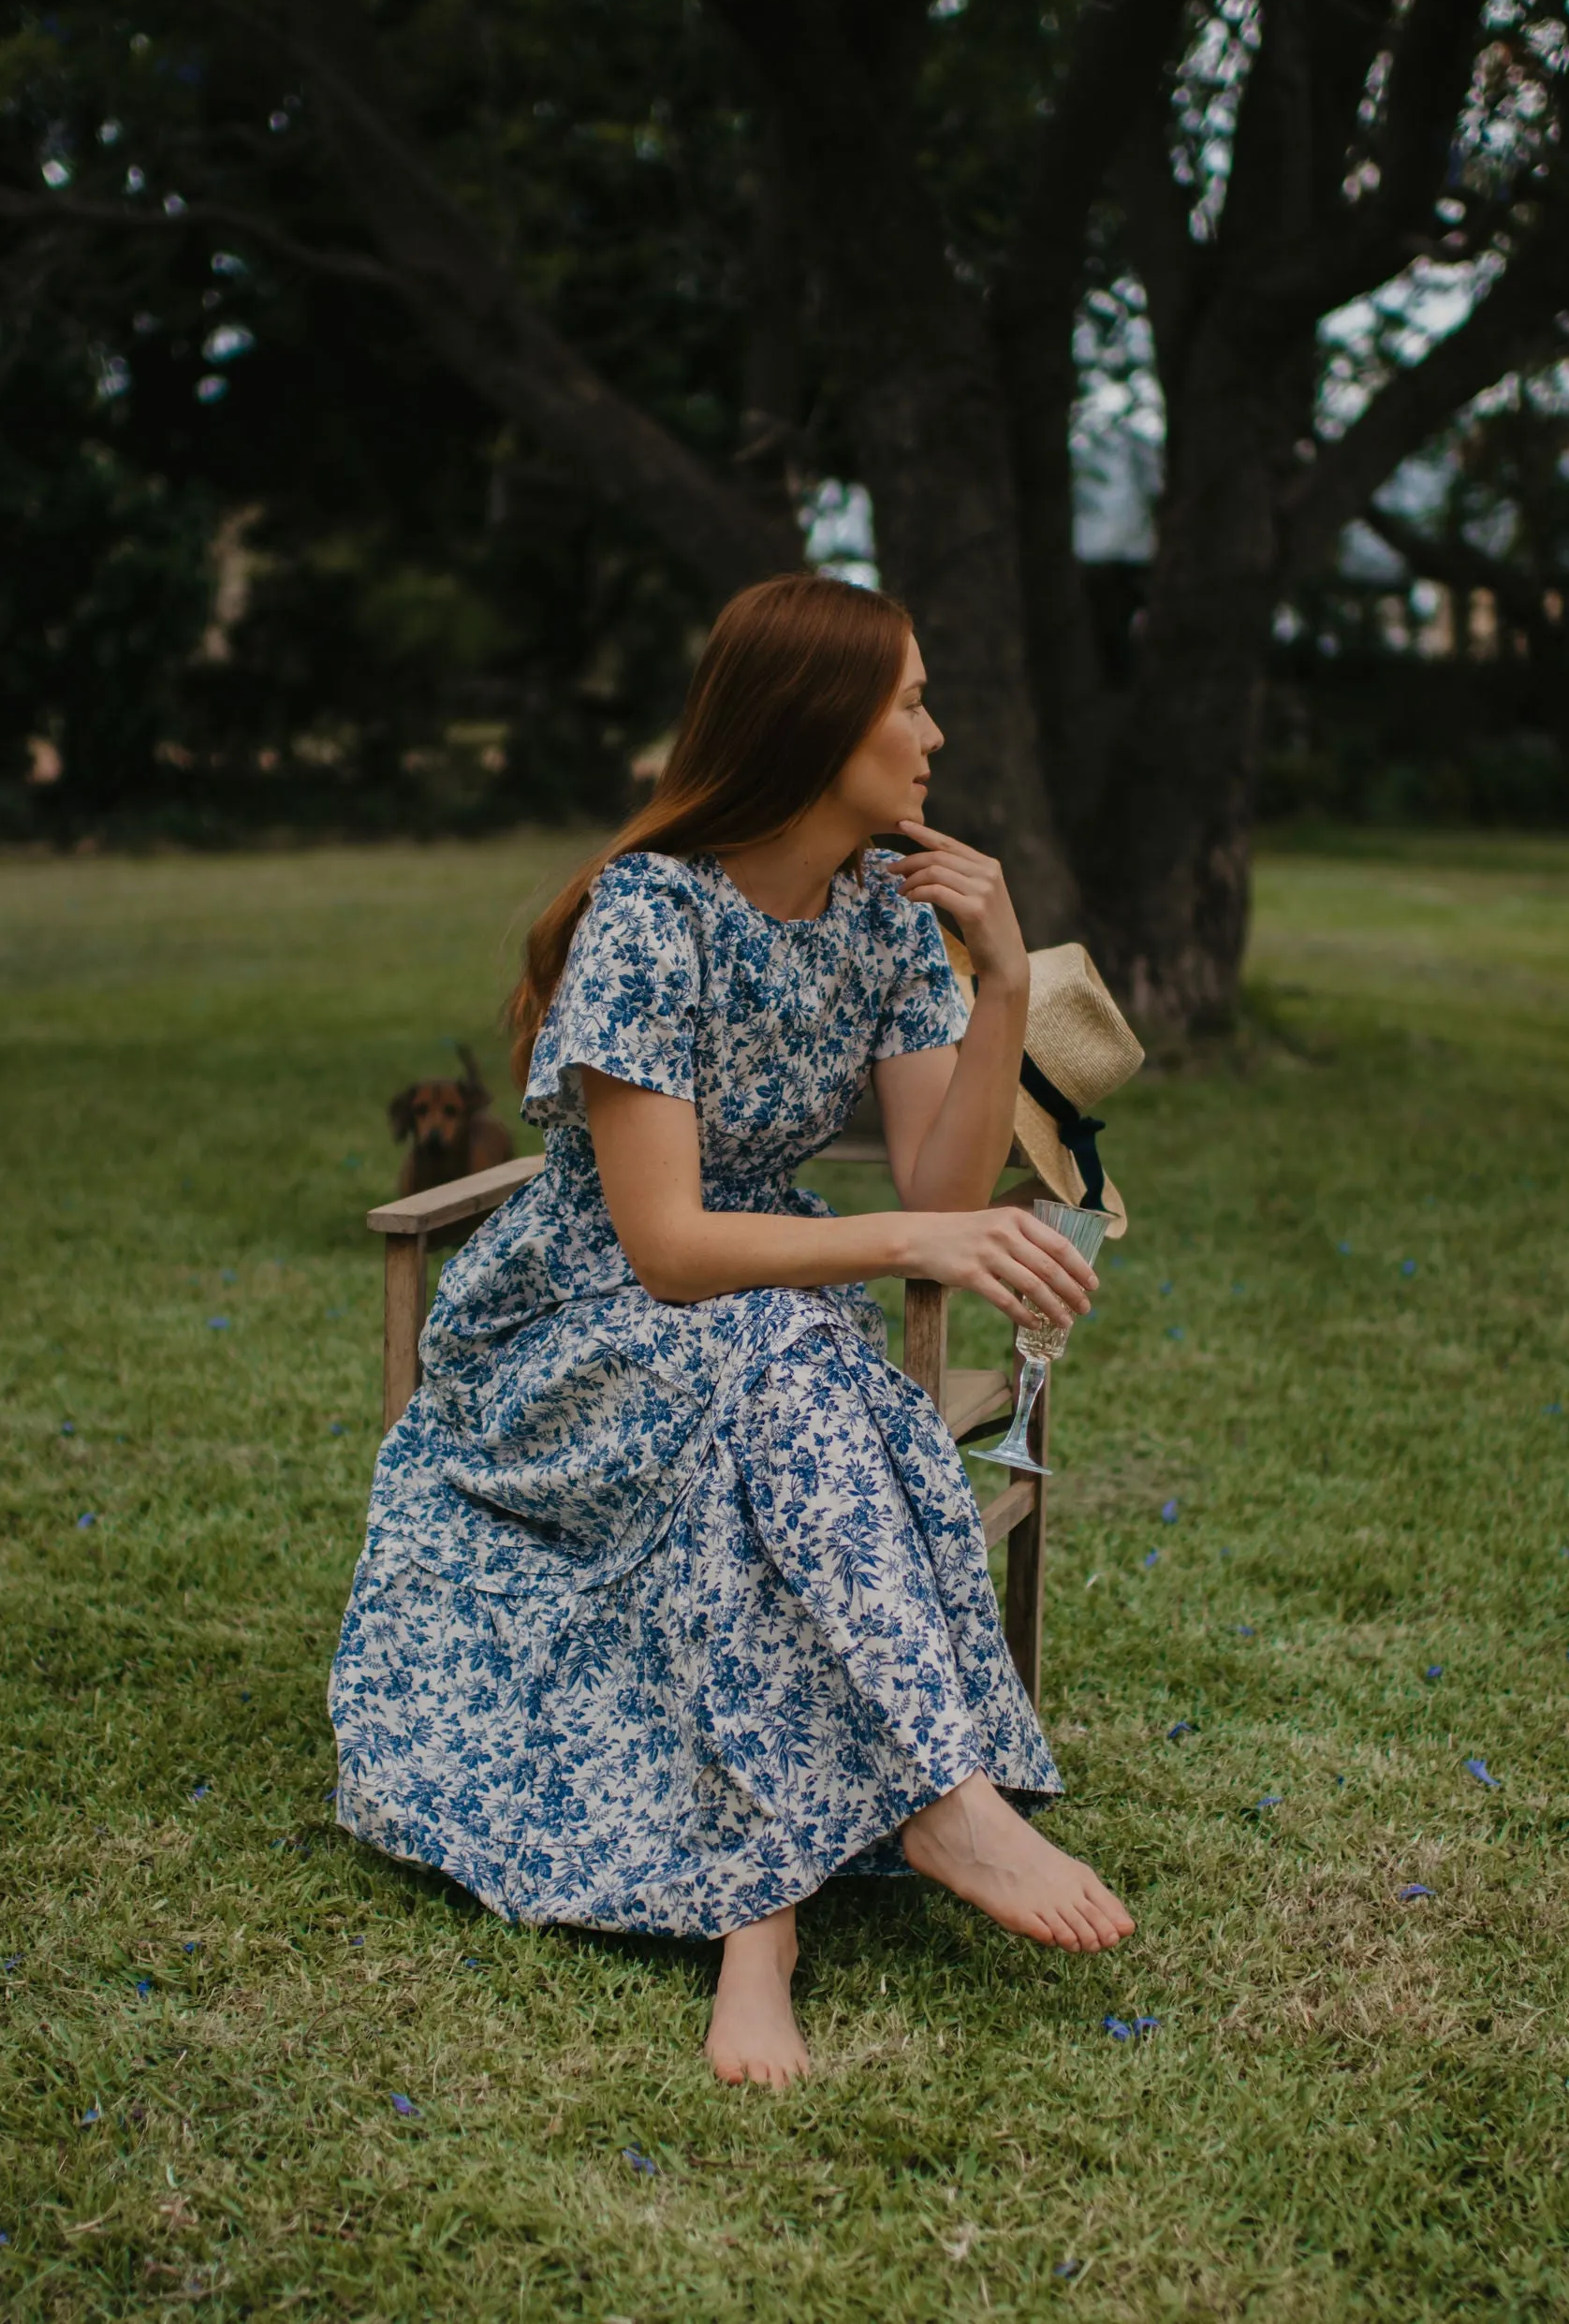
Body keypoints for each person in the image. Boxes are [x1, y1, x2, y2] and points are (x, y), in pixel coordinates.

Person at [330, 573, 1136, 2089]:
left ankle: (760, 1931)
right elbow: (666, 1243)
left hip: (751, 1315)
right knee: (787, 1364)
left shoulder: (891, 922)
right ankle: (935, 1796)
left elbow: (940, 1178)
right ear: (815, 716)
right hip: (575, 1323)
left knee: (779, 1385)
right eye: (909, 700)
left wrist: (1008, 977)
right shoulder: (651, 914)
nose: (935, 734)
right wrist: (902, 1242)